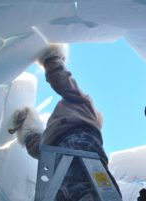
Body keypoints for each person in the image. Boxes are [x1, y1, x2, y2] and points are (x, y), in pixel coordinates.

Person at [8, 44, 121, 201]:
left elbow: (64, 83)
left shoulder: (82, 105)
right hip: (75, 150)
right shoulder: (55, 130)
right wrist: (26, 127)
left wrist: (53, 59)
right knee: (92, 189)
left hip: (76, 145)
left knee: (82, 187)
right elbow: (38, 146)